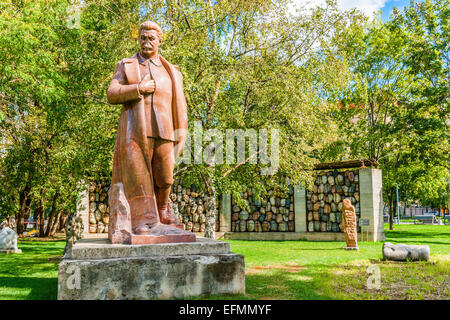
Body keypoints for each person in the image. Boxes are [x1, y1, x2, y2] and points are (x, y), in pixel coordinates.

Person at [107, 21, 189, 243]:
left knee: (166, 176)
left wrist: (182, 132)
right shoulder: (127, 65)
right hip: (137, 131)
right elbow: (112, 93)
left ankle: (163, 211)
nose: (146, 42)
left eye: (151, 38)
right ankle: (141, 221)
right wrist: (138, 89)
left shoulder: (172, 70)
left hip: (165, 130)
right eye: (143, 37)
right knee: (139, 177)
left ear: (160, 40)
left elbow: (180, 105)